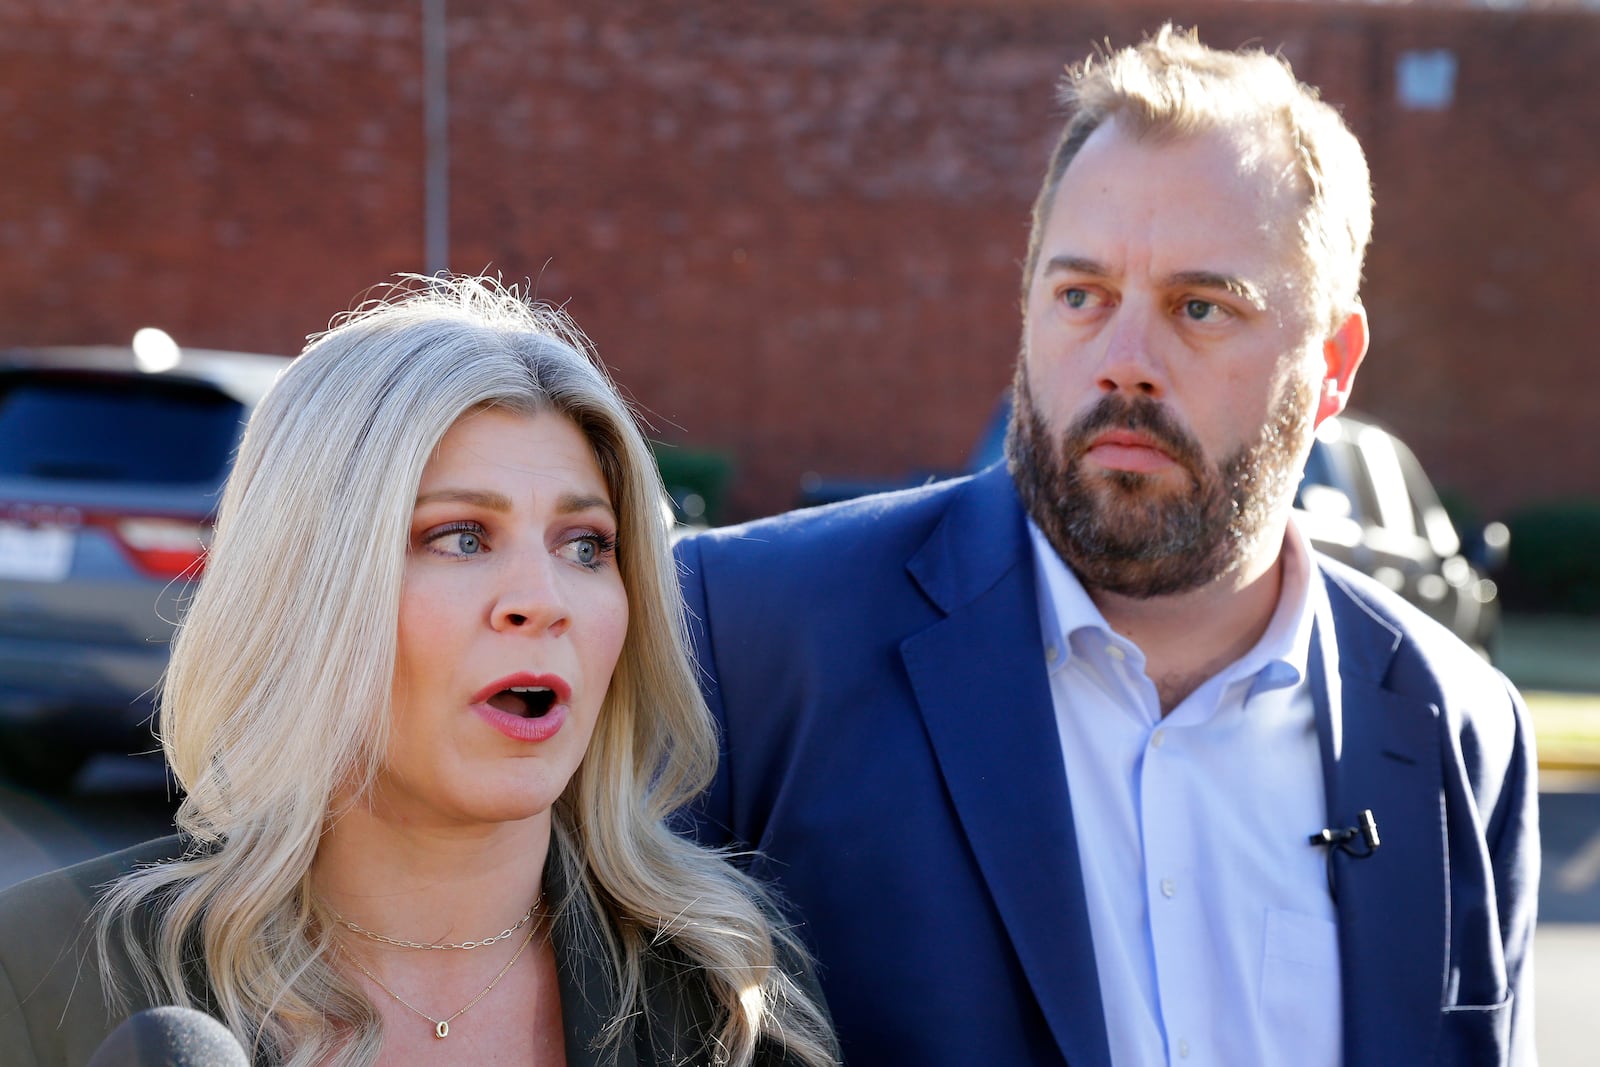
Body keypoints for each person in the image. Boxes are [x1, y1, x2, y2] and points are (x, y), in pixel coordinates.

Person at [676, 25, 1538, 1067]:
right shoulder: (755, 636)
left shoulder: (1457, 727)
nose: (1124, 361)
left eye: (1200, 305)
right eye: (1081, 295)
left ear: (1334, 361)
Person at [0, 276, 838, 1067]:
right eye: (462, 536)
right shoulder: (40, 968)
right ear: (303, 584)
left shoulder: (730, 986)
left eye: (586, 546)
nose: (542, 601)